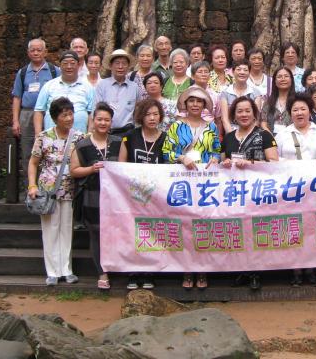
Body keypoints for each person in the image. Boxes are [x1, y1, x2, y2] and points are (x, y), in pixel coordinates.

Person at [163, 86, 221, 289]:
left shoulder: (211, 127)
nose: (195, 104)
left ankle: (203, 269)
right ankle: (187, 269)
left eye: (199, 101)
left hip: (205, 183)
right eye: (191, 101)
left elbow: (216, 150)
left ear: (204, 105)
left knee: (203, 223)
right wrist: (181, 157)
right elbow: (166, 152)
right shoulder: (176, 127)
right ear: (185, 104)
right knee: (185, 224)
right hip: (182, 180)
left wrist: (215, 158)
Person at [221, 95, 278, 290]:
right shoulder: (228, 138)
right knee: (238, 230)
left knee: (256, 230)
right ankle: (241, 270)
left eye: (247, 111)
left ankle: (256, 272)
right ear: (233, 115)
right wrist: (225, 163)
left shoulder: (264, 135)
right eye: (239, 111)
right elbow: (223, 161)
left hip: (258, 192)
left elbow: (274, 163)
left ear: (254, 114)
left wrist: (252, 163)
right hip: (235, 193)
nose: (244, 114)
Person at [27, 96, 82, 286]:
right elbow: (33, 163)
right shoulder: (44, 137)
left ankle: (66, 269)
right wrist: (32, 185)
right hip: (47, 190)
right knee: (50, 230)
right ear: (55, 117)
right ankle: (52, 271)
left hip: (70, 189)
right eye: (64, 115)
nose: (69, 118)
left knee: (66, 229)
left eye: (71, 114)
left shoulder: (79, 137)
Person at [274, 94, 316, 288]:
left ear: (310, 110)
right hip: (291, 190)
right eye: (295, 110)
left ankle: (312, 269)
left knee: (313, 227)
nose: (299, 113)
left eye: (303, 109)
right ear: (290, 113)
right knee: (294, 227)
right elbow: (274, 161)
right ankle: (295, 269)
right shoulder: (282, 135)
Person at [70, 102, 121, 290]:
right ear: (93, 120)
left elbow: (124, 168)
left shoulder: (117, 142)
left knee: (115, 233)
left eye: (107, 120)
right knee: (96, 233)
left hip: (115, 197)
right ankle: (102, 272)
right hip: (92, 194)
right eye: (99, 119)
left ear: (111, 122)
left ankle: (116, 267)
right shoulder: (82, 144)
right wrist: (91, 169)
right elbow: (74, 171)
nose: (103, 123)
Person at [119, 97, 167, 290]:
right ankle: (132, 272)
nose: (152, 118)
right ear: (141, 116)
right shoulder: (129, 136)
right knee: (132, 232)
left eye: (156, 114)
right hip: (132, 195)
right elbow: (120, 165)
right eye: (148, 114)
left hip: (156, 196)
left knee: (152, 233)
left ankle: (149, 272)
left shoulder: (166, 138)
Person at [11, 38, 59, 169]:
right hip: (27, 114)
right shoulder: (22, 72)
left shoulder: (54, 71)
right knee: (28, 149)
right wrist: (15, 121)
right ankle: (30, 185)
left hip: (48, 113)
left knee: (51, 146)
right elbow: (17, 97)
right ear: (28, 53)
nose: (36, 53)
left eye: (39, 50)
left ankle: (48, 183)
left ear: (45, 52)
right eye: (33, 50)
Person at [34, 51, 95, 136]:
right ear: (60, 66)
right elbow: (39, 111)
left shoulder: (88, 87)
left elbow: (92, 114)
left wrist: (89, 135)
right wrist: (38, 135)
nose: (69, 66)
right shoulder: (49, 86)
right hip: (51, 139)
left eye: (72, 63)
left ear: (78, 65)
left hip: (79, 138)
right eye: (65, 63)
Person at [95, 49, 142, 135]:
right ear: (111, 65)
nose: (120, 67)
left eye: (124, 63)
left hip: (128, 133)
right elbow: (96, 110)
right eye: (117, 63)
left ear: (128, 66)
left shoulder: (134, 87)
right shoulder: (102, 85)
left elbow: (138, 112)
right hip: (106, 132)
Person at [219, 59, 258, 134]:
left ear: (249, 73)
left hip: (250, 133)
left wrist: (249, 136)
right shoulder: (225, 93)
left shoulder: (255, 93)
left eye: (245, 70)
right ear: (233, 72)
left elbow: (256, 119)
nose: (242, 72)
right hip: (231, 131)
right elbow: (225, 119)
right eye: (239, 69)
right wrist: (232, 137)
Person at [260, 67, 295, 135]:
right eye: (279, 77)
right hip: (271, 138)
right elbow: (263, 122)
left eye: (286, 76)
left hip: (292, 138)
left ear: (291, 80)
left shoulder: (297, 100)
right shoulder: (268, 101)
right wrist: (270, 138)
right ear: (275, 81)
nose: (283, 79)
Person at [190, 61, 221, 127]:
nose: (203, 74)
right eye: (200, 72)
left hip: (210, 132)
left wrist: (218, 136)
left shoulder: (215, 95)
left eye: (206, 72)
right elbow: (180, 118)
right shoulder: (187, 94)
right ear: (192, 76)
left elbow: (218, 119)